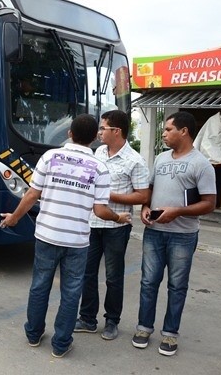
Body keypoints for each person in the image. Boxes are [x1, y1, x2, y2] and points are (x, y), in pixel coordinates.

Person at [0, 114, 131, 358]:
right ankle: (61, 344)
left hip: (47, 235)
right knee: (71, 292)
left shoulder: (50, 157)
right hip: (77, 241)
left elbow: (31, 195)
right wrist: (119, 218)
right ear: (94, 138)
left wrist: (14, 218)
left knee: (40, 286)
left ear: (69, 133)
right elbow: (100, 210)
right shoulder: (100, 168)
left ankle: (33, 334)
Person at [133, 111, 216, 356]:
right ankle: (144, 327)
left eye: (168, 129)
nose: (164, 134)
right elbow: (148, 189)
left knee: (177, 286)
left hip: (183, 235)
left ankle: (170, 334)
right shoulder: (160, 159)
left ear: (184, 131)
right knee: (148, 282)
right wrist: (145, 207)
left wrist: (178, 211)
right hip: (154, 232)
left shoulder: (201, 164)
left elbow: (209, 204)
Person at [74, 110, 150, 340]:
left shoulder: (134, 160)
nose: (99, 132)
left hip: (117, 227)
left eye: (103, 128)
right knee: (87, 273)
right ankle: (87, 318)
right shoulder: (98, 152)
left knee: (113, 276)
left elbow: (142, 196)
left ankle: (112, 321)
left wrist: (109, 195)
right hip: (93, 222)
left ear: (116, 131)